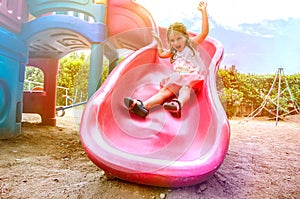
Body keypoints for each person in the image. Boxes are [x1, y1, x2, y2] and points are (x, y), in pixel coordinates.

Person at [124, 1, 209, 118]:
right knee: (164, 92)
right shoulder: (174, 51)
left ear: (186, 36)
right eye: (172, 40)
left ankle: (178, 104)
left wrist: (203, 11)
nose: (176, 43)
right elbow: (162, 54)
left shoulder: (190, 44)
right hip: (177, 76)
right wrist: (159, 41)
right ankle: (143, 106)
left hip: (190, 75)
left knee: (186, 88)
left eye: (179, 38)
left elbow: (204, 33)